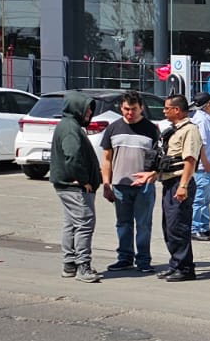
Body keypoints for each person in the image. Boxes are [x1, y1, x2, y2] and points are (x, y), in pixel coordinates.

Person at [100, 90, 161, 274]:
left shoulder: (151, 129)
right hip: (120, 185)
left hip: (144, 187)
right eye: (126, 109)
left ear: (141, 108)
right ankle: (124, 258)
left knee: (143, 224)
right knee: (123, 223)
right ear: (121, 107)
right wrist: (106, 184)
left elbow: (159, 159)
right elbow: (106, 159)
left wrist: (153, 175)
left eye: (133, 109)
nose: (130, 113)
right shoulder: (113, 129)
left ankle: (143, 260)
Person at [49, 91, 103, 283]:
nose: (89, 113)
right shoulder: (71, 128)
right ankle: (83, 266)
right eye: (86, 109)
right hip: (74, 187)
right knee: (84, 224)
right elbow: (72, 156)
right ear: (76, 108)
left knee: (71, 224)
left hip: (67, 186)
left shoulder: (68, 125)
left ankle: (70, 264)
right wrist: (83, 180)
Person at [154, 94, 202, 282]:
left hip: (179, 183)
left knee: (178, 227)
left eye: (167, 108)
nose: (164, 111)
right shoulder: (174, 130)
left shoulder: (189, 130)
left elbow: (190, 160)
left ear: (177, 110)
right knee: (169, 227)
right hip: (168, 182)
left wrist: (183, 186)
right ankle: (175, 264)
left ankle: (185, 268)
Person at [189, 92, 210, 241]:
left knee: (205, 199)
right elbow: (200, 143)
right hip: (203, 168)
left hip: (208, 167)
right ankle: (195, 228)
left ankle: (203, 227)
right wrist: (205, 162)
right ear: (207, 105)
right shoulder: (201, 121)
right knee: (199, 199)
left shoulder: (205, 119)